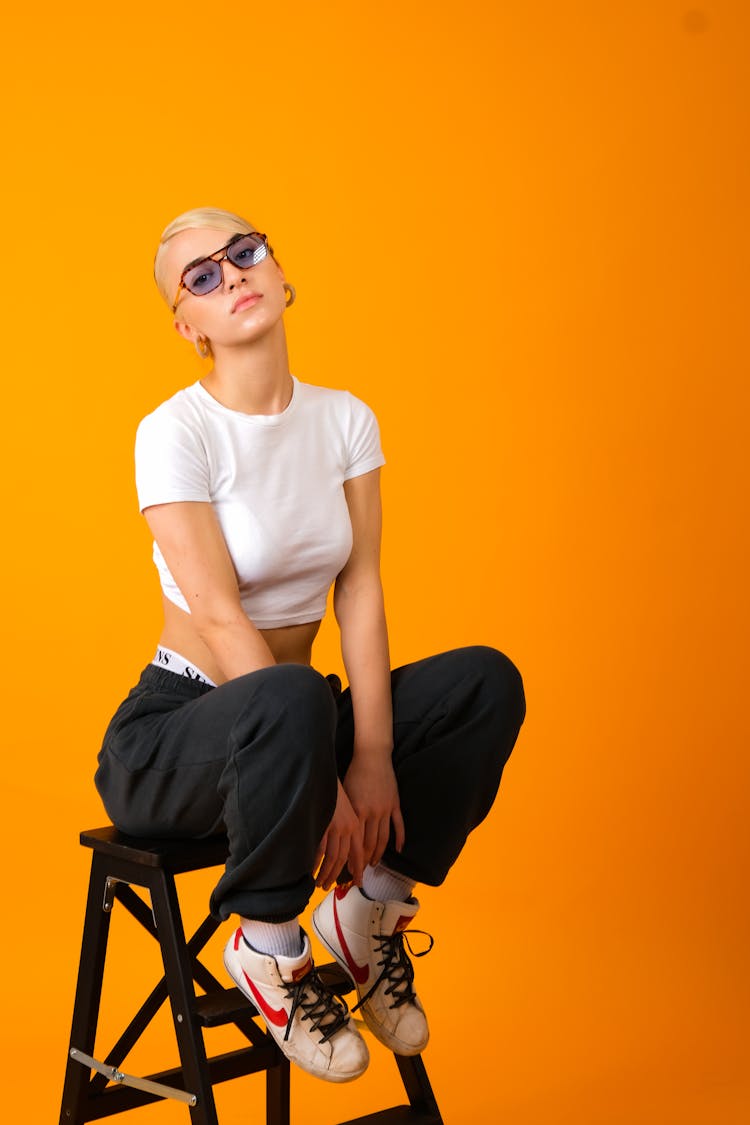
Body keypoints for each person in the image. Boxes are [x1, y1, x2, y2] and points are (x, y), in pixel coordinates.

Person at [95, 206, 526, 1084]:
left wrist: (370, 755)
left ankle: (365, 916)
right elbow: (219, 616)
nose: (233, 274)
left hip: (290, 724)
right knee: (288, 695)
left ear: (279, 272)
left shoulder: (344, 420)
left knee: (484, 682)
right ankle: (266, 946)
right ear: (190, 327)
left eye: (244, 252)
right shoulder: (174, 430)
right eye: (202, 276)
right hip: (178, 736)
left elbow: (360, 590)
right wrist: (323, 783)